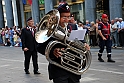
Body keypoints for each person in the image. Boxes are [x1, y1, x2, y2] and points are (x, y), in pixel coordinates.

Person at [37, 3, 90, 83]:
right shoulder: (49, 29)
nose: (67, 19)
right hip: (59, 70)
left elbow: (80, 39)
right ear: (58, 17)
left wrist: (84, 44)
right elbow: (39, 46)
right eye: (64, 17)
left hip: (74, 68)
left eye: (68, 16)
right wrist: (53, 51)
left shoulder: (73, 27)